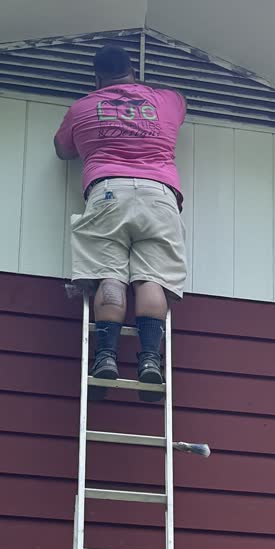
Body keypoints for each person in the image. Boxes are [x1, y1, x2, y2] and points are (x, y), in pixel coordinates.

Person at [54, 45, 187, 394]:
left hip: (107, 191)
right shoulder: (166, 101)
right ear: (132, 70)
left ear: (96, 77)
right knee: (152, 279)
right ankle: (148, 361)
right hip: (159, 196)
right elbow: (179, 105)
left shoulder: (81, 108)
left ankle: (107, 357)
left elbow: (63, 150)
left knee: (109, 277)